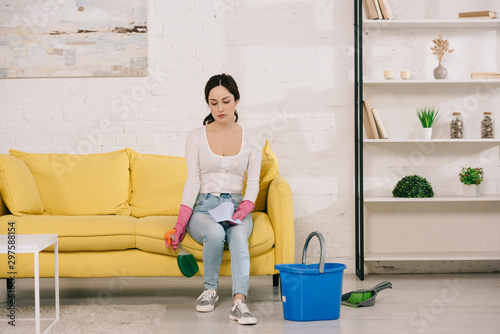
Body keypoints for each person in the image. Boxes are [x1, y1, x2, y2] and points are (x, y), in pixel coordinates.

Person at [165, 73, 262, 325]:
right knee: (216, 235)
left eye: (226, 101)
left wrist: (243, 210)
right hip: (204, 208)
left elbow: (253, 182)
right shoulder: (196, 136)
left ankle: (239, 302)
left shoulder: (252, 138)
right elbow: (193, 181)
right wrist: (180, 225)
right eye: (213, 102)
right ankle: (210, 290)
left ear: (236, 101)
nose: (220, 108)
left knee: (239, 237)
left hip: (236, 206)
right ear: (208, 104)